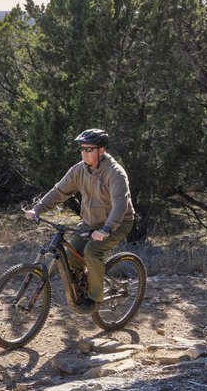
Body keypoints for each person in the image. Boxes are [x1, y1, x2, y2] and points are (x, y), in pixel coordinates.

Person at [24, 128, 134, 314]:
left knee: (92, 251)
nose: (84, 152)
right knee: (70, 257)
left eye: (89, 149)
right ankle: (83, 286)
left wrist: (107, 229)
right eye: (82, 148)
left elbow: (120, 205)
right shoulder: (79, 169)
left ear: (101, 151)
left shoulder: (115, 173)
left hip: (117, 222)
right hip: (91, 222)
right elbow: (60, 191)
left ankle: (95, 298)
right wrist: (38, 209)